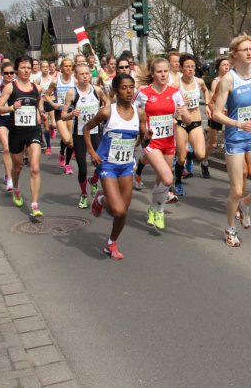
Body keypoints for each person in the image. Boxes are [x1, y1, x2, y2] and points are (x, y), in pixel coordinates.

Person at [210, 33, 251, 248]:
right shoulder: (229, 80)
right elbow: (216, 113)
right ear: (234, 54)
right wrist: (238, 123)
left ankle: (245, 205)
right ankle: (230, 229)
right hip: (236, 139)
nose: (249, 52)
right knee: (237, 191)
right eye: (245, 49)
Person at [84, 73, 148, 260]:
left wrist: (147, 137)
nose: (129, 91)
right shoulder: (107, 112)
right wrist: (92, 152)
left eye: (131, 87)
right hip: (108, 165)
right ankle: (101, 198)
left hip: (126, 165)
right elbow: (86, 128)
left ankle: (111, 243)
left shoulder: (140, 113)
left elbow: (143, 141)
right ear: (116, 91)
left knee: (122, 211)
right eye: (124, 88)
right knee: (117, 209)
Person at [134, 58, 189, 230]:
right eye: (159, 71)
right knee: (167, 178)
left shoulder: (175, 93)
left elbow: (187, 120)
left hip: (169, 142)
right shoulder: (143, 93)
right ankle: (159, 210)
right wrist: (140, 132)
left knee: (161, 181)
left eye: (166, 71)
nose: (163, 74)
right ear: (152, 73)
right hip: (151, 142)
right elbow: (132, 113)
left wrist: (182, 113)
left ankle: (155, 209)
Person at [0, 55, 45, 222]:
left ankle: (35, 205)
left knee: (35, 168)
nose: (26, 70)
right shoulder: (10, 87)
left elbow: (38, 104)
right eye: (23, 67)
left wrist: (41, 113)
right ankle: (16, 188)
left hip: (33, 131)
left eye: (28, 67)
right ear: (17, 70)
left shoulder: (37, 88)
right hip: (16, 132)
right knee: (17, 166)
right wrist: (11, 107)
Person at [60, 63, 104, 209]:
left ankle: (94, 180)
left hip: (95, 132)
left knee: (101, 163)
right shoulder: (72, 93)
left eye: (87, 73)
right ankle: (84, 194)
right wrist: (71, 114)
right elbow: (63, 115)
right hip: (79, 134)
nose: (85, 76)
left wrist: (104, 109)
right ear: (76, 76)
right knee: (83, 168)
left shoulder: (97, 90)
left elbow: (108, 104)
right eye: (82, 74)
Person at [172, 53, 210, 195]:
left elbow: (206, 90)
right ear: (181, 68)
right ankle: (178, 182)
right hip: (181, 123)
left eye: (193, 66)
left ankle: (190, 155)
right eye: (187, 67)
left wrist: (207, 105)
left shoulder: (199, 82)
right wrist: (179, 104)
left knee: (200, 154)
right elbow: (168, 102)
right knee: (180, 158)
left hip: (195, 122)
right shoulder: (176, 85)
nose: (190, 69)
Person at [203, 56, 231, 177]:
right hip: (217, 113)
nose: (226, 67)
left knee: (230, 141)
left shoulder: (232, 80)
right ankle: (204, 161)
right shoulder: (216, 82)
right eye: (224, 65)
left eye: (228, 65)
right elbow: (212, 99)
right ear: (218, 68)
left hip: (229, 114)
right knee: (213, 143)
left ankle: (231, 166)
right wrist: (216, 111)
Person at [0, 63, 15, 191]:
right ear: (2, 74)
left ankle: (7, 173)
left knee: (15, 151)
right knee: (6, 148)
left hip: (15, 119)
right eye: (6, 73)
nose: (9, 75)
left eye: (11, 73)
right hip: (1, 119)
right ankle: (9, 179)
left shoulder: (18, 86)